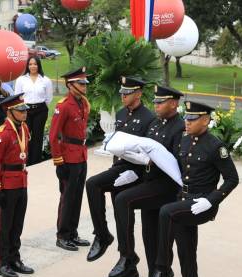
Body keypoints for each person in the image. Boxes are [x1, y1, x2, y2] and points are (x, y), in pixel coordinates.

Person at [144, 101, 239, 277]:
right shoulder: (185, 140)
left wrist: (211, 200)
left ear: (205, 120)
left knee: (166, 212)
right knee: (187, 259)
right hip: (183, 203)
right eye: (186, 118)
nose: (186, 122)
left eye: (192, 119)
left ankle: (163, 268)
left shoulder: (215, 146)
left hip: (201, 205)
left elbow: (232, 178)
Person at [109, 86, 184, 277]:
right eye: (156, 102)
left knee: (123, 200)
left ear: (174, 103)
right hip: (149, 182)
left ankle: (128, 256)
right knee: (149, 236)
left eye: (161, 102)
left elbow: (179, 164)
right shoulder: (156, 124)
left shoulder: (179, 128)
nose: (156, 105)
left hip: (166, 186)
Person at [85, 76, 155, 261]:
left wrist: (137, 172)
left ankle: (127, 259)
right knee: (93, 185)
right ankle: (102, 235)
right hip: (119, 167)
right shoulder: (122, 114)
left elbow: (150, 155)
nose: (123, 96)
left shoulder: (149, 118)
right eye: (122, 92)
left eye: (127, 92)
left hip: (136, 171)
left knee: (124, 217)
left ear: (138, 94)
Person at [0, 93, 36, 277]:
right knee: (5, 226)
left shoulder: (23, 128)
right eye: (20, 110)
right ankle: (3, 263)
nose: (24, 113)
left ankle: (15, 258)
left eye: (25, 110)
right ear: (10, 112)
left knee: (17, 224)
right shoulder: (3, 133)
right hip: (7, 184)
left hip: (21, 180)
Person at [49, 67, 91, 252]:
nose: (84, 86)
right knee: (67, 197)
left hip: (81, 154)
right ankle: (62, 235)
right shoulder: (64, 105)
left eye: (84, 83)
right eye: (81, 83)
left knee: (77, 196)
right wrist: (59, 160)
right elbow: (53, 135)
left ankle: (73, 232)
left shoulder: (82, 103)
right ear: (70, 85)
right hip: (68, 156)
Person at [15, 56, 54, 166]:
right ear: (27, 66)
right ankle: (24, 161)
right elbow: (17, 97)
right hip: (25, 111)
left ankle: (36, 162)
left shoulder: (45, 80)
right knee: (25, 135)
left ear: (39, 65)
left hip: (40, 111)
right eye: (30, 64)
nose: (33, 66)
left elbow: (48, 98)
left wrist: (40, 107)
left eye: (35, 64)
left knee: (37, 136)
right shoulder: (21, 80)